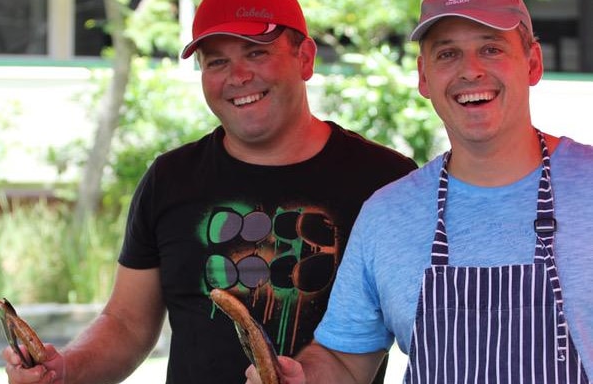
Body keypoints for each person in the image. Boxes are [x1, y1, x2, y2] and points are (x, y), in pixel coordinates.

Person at [1, 0, 417, 383]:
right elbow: (128, 323)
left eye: (256, 52)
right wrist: (64, 370)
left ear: (304, 57)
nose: (238, 77)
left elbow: (424, 330)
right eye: (217, 61)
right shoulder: (171, 178)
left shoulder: (386, 182)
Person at [245, 0, 593, 383]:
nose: (471, 70)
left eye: (491, 48)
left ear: (532, 63)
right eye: (448, 53)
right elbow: (345, 362)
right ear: (424, 76)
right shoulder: (387, 214)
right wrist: (300, 378)